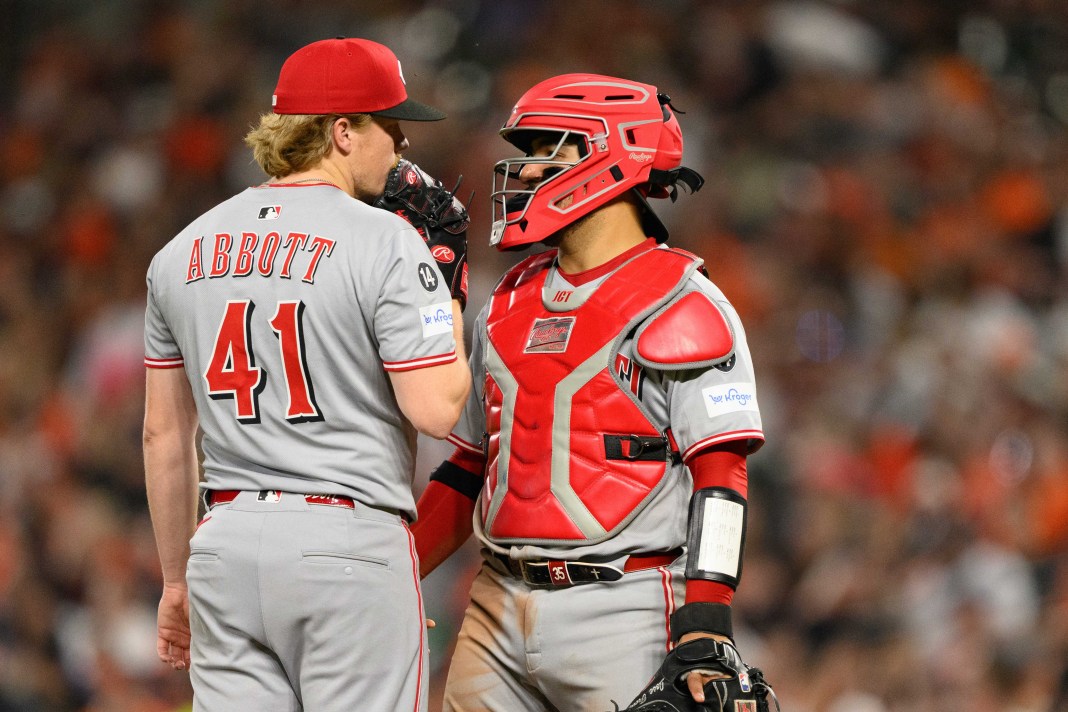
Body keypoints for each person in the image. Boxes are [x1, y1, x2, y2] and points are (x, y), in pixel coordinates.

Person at [411, 73, 765, 711]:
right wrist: (396, 577)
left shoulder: (681, 301)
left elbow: (722, 476)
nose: (522, 172)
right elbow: (470, 467)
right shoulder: (508, 297)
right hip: (496, 599)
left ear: (609, 155)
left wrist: (707, 618)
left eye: (546, 150)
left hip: (625, 604)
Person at [142, 37, 471, 712]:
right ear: (342, 132)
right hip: (345, 541)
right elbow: (437, 408)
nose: (403, 144)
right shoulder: (386, 240)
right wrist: (447, 286)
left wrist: (176, 582)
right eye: (391, 125)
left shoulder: (180, 251)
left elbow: (163, 437)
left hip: (223, 548)